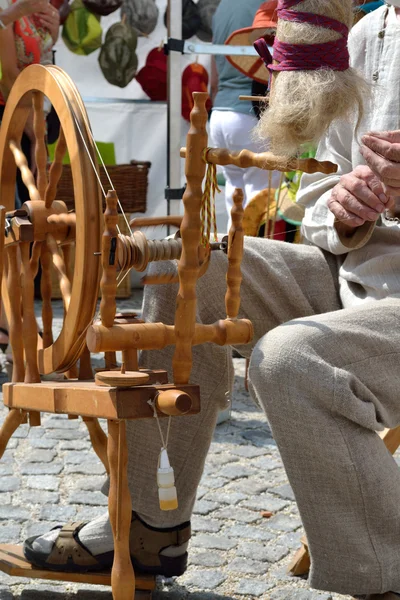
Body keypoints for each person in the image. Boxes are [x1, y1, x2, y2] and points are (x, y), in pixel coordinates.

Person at [22, 2, 400, 599]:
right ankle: (148, 523)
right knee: (184, 267)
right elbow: (319, 186)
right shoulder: (367, 35)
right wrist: (346, 203)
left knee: (288, 357)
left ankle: (388, 573)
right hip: (358, 271)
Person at [0, 0, 60, 352]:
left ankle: (18, 320)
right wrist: (34, 134)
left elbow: (44, 73)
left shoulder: (35, 13)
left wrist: (54, 36)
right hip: (12, 124)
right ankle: (11, 322)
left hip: (28, 124)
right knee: (11, 226)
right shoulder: (8, 11)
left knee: (23, 227)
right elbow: (10, 79)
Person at [210, 0, 279, 223]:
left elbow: (214, 75)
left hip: (220, 113)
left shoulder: (222, 7)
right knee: (260, 199)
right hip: (251, 112)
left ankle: (230, 254)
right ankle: (248, 256)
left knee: (235, 196)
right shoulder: (267, 3)